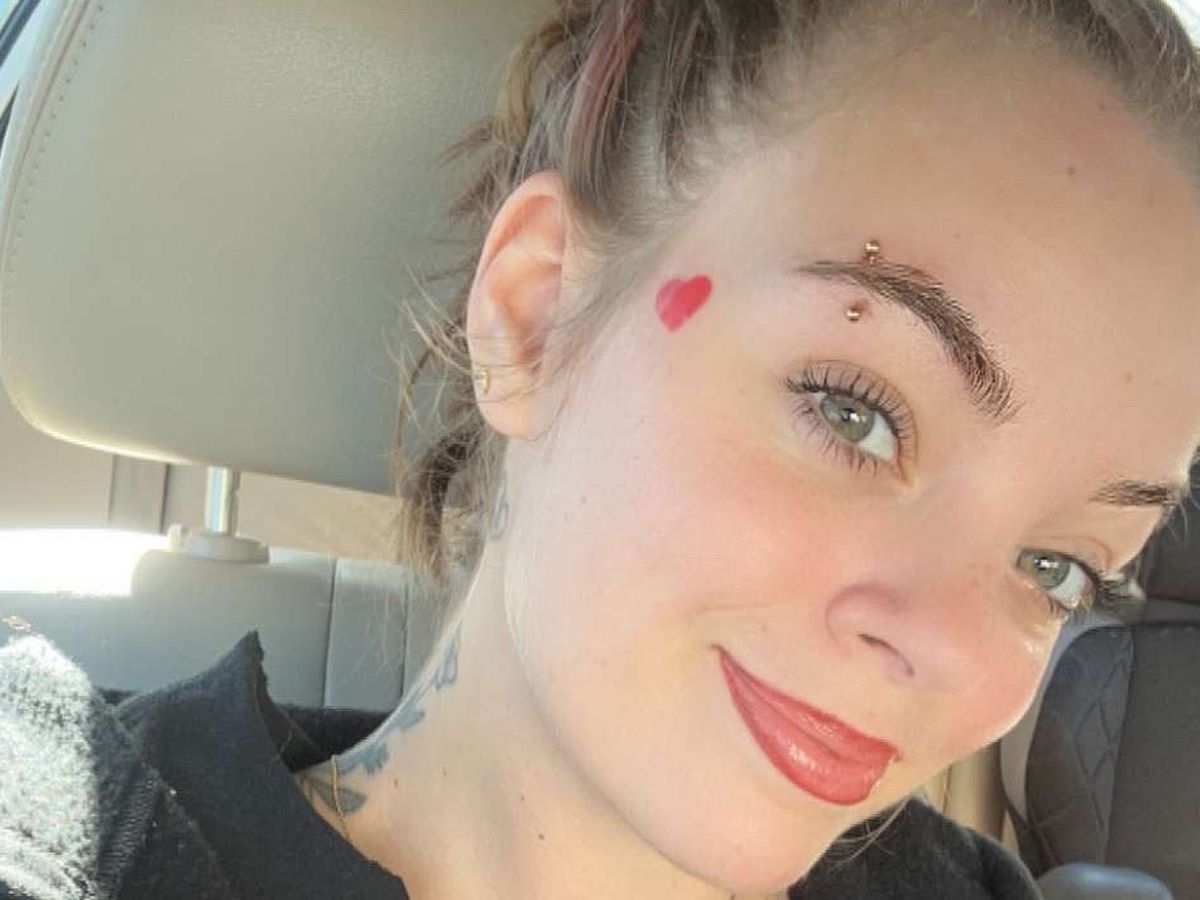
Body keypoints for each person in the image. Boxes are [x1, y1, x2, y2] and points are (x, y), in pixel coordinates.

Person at [3, 0, 1200, 898]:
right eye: (853, 412)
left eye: (1058, 569)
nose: (946, 648)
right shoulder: (71, 841)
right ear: (533, 317)